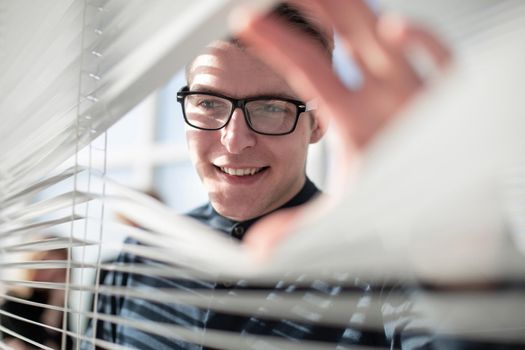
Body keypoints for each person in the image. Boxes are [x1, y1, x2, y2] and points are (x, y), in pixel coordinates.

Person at [83, 1, 449, 349]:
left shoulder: (380, 271)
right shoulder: (135, 263)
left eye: (271, 107)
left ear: (317, 122)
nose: (235, 140)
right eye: (209, 103)